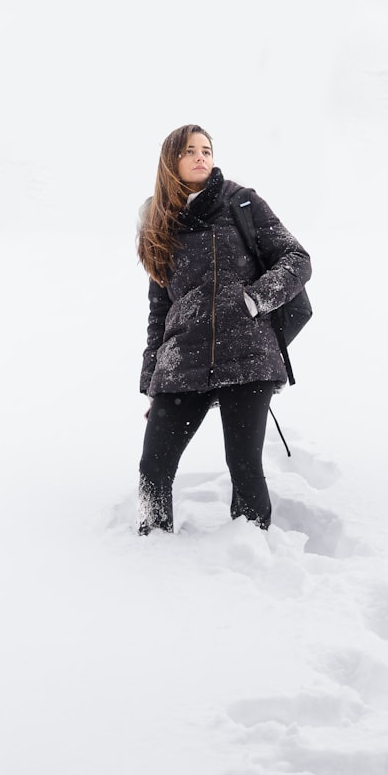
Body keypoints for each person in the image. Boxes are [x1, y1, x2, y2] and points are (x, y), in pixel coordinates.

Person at [136, 124, 312, 535]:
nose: (201, 157)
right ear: (171, 162)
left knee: (244, 463)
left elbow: (296, 258)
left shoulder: (242, 202)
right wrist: (153, 382)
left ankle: (251, 547)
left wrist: (255, 299)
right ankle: (151, 546)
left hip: (246, 353)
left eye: (207, 150)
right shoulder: (159, 222)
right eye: (190, 151)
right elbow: (159, 310)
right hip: (183, 360)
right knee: (153, 466)